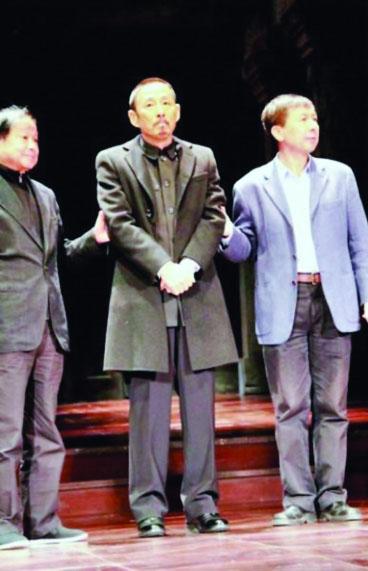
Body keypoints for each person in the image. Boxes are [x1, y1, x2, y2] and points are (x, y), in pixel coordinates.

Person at [221, 94, 368, 526]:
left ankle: (332, 498)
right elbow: (242, 250)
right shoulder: (251, 186)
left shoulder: (340, 176)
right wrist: (224, 230)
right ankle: (298, 499)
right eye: (302, 120)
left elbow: (359, 242)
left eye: (314, 118)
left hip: (333, 299)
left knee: (332, 405)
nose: (313, 126)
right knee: (291, 406)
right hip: (284, 303)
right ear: (278, 131)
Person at [96, 77, 238, 538]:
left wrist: (190, 265)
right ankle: (149, 507)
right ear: (133, 116)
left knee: (201, 410)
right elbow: (119, 223)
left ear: (177, 111)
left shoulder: (203, 157)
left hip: (197, 295)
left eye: (166, 104)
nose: (160, 112)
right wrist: (164, 267)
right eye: (150, 105)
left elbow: (215, 215)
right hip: (144, 295)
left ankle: (202, 504)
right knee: (148, 413)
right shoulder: (112, 160)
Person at [0, 105, 108, 550]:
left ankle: (43, 521)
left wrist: (94, 239)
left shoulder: (44, 194)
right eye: (23, 137)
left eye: (36, 139)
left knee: (46, 430)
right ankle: (3, 523)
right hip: (7, 327)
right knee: (5, 432)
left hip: (49, 327)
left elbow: (58, 257)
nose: (32, 146)